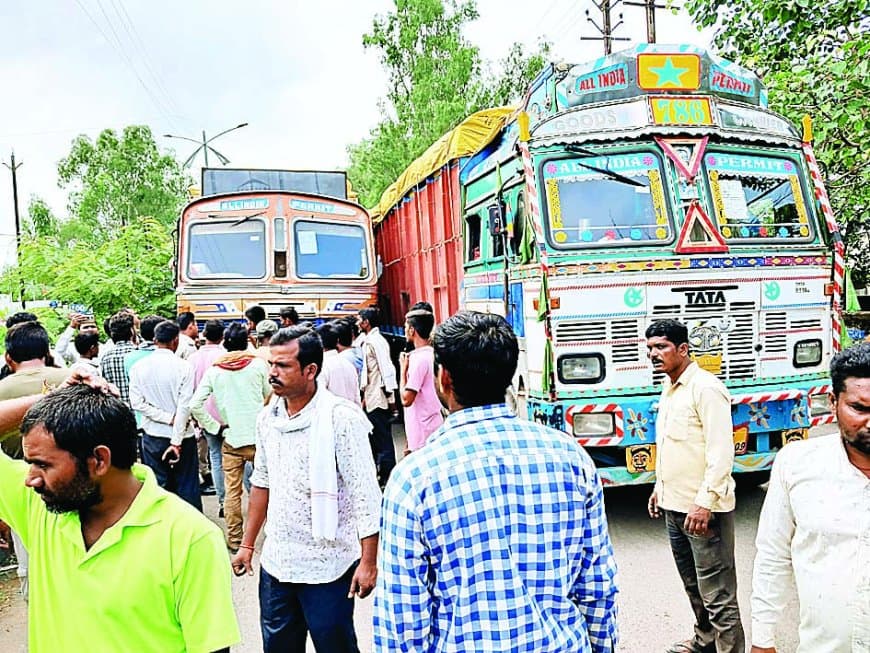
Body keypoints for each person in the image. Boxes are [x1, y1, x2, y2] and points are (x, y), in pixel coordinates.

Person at [374, 311, 618, 651]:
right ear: (510, 373)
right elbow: (597, 583)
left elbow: (402, 617)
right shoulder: (570, 457)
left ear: (444, 377)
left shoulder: (414, 479)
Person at [0, 384, 240, 652]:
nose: (30, 479)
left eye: (43, 465)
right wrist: (52, 397)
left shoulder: (190, 538)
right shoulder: (40, 509)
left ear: (99, 460)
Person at [231, 326, 381, 653]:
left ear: (310, 370)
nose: (273, 372)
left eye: (283, 365)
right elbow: (262, 482)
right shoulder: (267, 418)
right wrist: (247, 545)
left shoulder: (341, 419)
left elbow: (366, 495)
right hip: (278, 563)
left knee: (335, 647)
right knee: (278, 647)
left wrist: (368, 562)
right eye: (271, 364)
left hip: (329, 566)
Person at [750, 343, 870, 652]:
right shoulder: (797, 464)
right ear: (833, 403)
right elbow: (773, 554)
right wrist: (762, 638)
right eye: (860, 409)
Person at [645, 319, 743, 653]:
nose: (653, 354)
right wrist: (659, 487)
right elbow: (675, 446)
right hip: (674, 507)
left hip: (703, 511)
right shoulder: (670, 387)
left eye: (661, 347)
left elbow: (721, 453)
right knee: (694, 586)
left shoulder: (706, 389)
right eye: (650, 348)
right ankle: (705, 642)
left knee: (718, 595)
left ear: (683, 349)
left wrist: (704, 503)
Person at [0, 320, 71, 598]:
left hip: (19, 488)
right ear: (47, 351)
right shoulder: (71, 378)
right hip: (73, 483)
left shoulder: (2, 389)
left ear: (9, 357)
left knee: (29, 562)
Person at [190, 323, 271, 552]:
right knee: (269, 487)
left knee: (232, 492)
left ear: (225, 342)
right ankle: (272, 534)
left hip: (231, 438)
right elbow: (271, 395)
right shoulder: (258, 365)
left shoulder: (215, 371)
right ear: (247, 341)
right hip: (259, 439)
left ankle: (235, 539)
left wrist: (214, 427)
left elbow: (195, 404)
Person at [129, 321, 200, 510]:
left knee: (158, 488)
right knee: (187, 489)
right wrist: (176, 441)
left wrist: (164, 417)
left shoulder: (139, 367)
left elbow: (137, 403)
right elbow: (184, 407)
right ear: (176, 340)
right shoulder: (184, 367)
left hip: (153, 435)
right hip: (183, 437)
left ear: (155, 340)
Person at [189, 319, 228, 513]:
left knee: (216, 457)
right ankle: (240, 499)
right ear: (222, 336)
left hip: (205, 416)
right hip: (228, 417)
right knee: (240, 458)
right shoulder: (226, 356)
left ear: (204, 335)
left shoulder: (193, 359)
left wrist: (195, 418)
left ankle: (223, 502)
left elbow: (190, 389)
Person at [357, 307, 398, 486]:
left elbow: (387, 370)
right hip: (371, 395)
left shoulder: (376, 342)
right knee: (375, 437)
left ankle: (388, 475)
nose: (357, 323)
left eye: (360, 319)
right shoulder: (367, 340)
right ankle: (381, 473)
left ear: (366, 322)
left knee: (382, 438)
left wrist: (391, 399)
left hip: (378, 396)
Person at [398, 306, 443, 453]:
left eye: (406, 327)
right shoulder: (433, 354)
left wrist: (403, 371)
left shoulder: (417, 360)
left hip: (422, 432)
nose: (405, 330)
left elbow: (406, 399)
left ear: (412, 330)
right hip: (433, 424)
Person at [317, 322, 362, 405]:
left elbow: (319, 399)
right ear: (337, 341)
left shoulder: (322, 367)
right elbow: (357, 398)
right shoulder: (348, 364)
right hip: (351, 411)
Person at [100, 311, 138, 405]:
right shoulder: (137, 353)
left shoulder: (106, 357)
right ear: (131, 331)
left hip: (117, 408)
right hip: (139, 409)